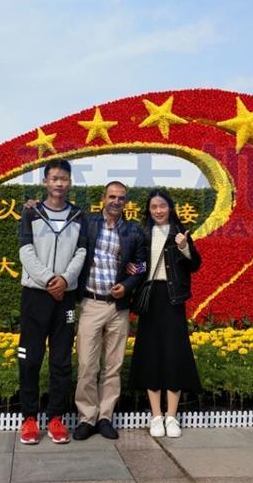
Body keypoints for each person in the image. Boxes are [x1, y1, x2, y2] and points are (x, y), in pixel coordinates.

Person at [17, 159, 86, 444]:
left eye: (64, 179)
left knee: (61, 360)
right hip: (36, 294)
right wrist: (48, 281)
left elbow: (82, 252)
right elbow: (25, 250)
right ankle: (29, 418)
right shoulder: (31, 213)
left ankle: (56, 418)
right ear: (46, 182)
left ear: (70, 183)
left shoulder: (79, 216)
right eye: (54, 178)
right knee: (30, 359)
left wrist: (64, 281)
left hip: (65, 297)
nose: (59, 183)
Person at [72, 181, 147, 441]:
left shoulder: (133, 231)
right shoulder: (88, 223)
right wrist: (33, 207)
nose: (116, 201)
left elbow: (141, 266)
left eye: (121, 198)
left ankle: (105, 417)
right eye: (112, 196)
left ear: (126, 202)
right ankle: (86, 418)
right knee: (86, 364)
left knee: (113, 366)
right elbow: (62, 218)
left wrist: (126, 286)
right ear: (103, 198)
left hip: (118, 307)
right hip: (91, 303)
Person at [128, 188, 201, 438]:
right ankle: (156, 416)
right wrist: (132, 266)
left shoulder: (179, 233)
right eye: (153, 207)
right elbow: (138, 266)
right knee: (151, 355)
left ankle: (172, 417)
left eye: (162, 206)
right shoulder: (142, 233)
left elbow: (195, 264)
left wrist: (184, 248)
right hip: (150, 299)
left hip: (173, 300)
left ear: (170, 207)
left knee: (174, 355)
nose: (158, 211)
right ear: (149, 211)